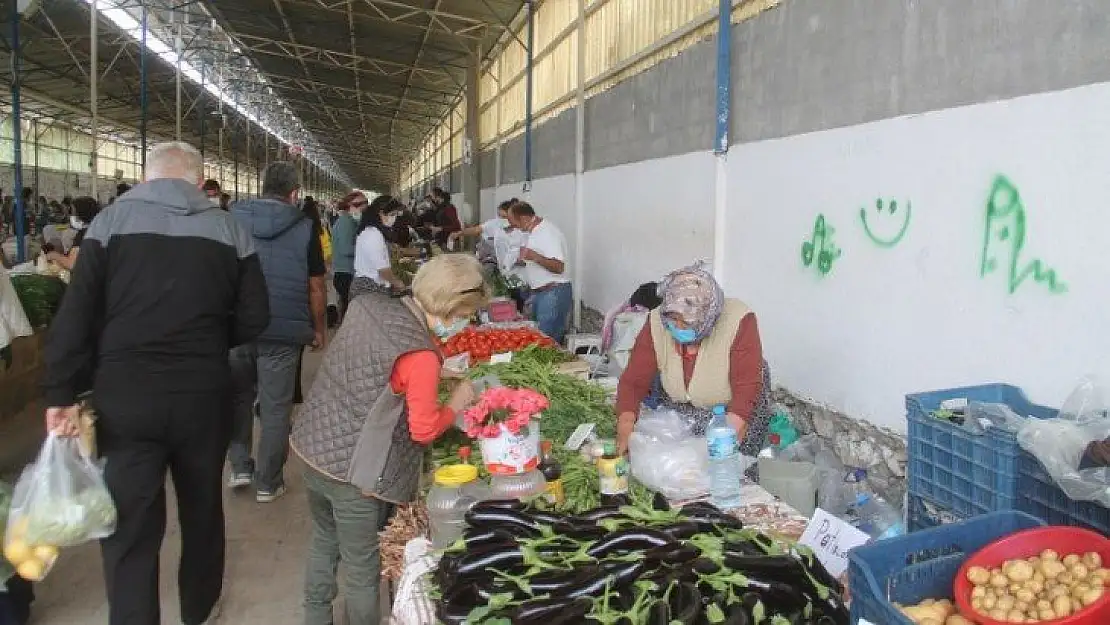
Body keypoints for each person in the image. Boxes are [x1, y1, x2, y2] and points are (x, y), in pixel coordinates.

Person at [41, 141, 270, 625]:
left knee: (129, 521)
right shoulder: (230, 228)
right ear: (197, 179)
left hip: (125, 397)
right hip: (202, 393)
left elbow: (76, 315)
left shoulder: (109, 224)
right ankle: (199, 610)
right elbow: (255, 317)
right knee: (202, 508)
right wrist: (209, 339)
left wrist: (60, 393)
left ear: (147, 179)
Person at [291, 253, 484, 625]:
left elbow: (374, 372)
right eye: (465, 314)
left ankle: (315, 617)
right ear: (451, 307)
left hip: (313, 445)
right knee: (363, 569)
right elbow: (423, 429)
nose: (465, 322)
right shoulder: (421, 354)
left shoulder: (369, 307)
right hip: (353, 473)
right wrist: (457, 403)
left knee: (324, 540)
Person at [228, 161, 328, 502]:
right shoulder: (304, 226)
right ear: (294, 192)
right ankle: (268, 483)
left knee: (237, 399)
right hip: (283, 331)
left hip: (236, 326)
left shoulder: (232, 218)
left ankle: (240, 466)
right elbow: (316, 285)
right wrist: (318, 329)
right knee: (275, 408)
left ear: (262, 185)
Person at [613, 263, 772, 465]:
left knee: (728, 470)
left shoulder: (739, 321)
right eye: (673, 319)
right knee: (673, 461)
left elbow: (745, 395)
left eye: (687, 323)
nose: (678, 327)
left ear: (708, 317)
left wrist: (718, 451)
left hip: (732, 412)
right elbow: (633, 382)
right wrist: (625, 427)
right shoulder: (657, 322)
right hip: (684, 409)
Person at [507, 201, 573, 344]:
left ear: (524, 219)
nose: (514, 227)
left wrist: (534, 256)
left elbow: (558, 267)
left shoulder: (547, 232)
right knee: (538, 339)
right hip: (541, 293)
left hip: (553, 293)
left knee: (547, 342)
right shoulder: (534, 232)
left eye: (514, 223)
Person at [354, 195, 406, 293]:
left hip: (372, 283)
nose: (394, 218)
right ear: (381, 213)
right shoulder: (372, 234)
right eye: (392, 214)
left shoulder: (374, 230)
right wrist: (398, 283)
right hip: (368, 288)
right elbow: (382, 270)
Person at [44, 196, 100, 271]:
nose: (72, 216)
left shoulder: (83, 234)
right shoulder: (100, 230)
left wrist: (54, 255)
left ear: (81, 214)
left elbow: (72, 264)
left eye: (73, 213)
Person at [331, 193, 359, 318]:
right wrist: (364, 250)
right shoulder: (346, 223)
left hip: (344, 272)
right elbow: (346, 249)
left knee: (346, 308)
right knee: (348, 312)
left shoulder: (348, 221)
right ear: (350, 206)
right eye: (359, 205)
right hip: (345, 273)